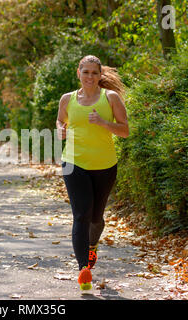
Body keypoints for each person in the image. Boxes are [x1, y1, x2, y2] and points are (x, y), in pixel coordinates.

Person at [56, 55, 129, 291]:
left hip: (104, 165)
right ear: (78, 73)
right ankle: (83, 270)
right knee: (81, 215)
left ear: (100, 75)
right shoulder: (67, 99)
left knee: (96, 218)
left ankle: (92, 245)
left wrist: (104, 123)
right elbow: (59, 121)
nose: (89, 77)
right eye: (85, 72)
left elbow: (125, 130)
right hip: (73, 162)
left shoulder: (111, 98)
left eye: (94, 73)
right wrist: (61, 131)